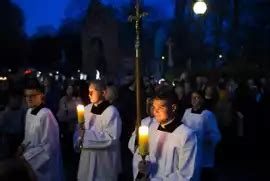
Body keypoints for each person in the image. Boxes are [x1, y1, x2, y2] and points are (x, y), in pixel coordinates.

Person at [129, 88, 198, 180]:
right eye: (154, 107)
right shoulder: (150, 128)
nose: (155, 111)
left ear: (173, 108)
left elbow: (185, 174)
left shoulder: (186, 135)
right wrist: (142, 168)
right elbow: (142, 155)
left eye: (161, 107)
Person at [75, 80, 122, 181]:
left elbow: (111, 138)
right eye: (89, 91)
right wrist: (78, 139)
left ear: (103, 92)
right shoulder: (86, 109)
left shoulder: (111, 112)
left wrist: (86, 135)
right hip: (87, 159)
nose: (89, 94)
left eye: (93, 91)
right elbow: (78, 131)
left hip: (103, 161)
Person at [22, 78, 63, 181]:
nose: (29, 99)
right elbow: (29, 137)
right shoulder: (29, 112)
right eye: (26, 96)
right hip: (30, 162)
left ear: (41, 96)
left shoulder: (46, 114)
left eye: (32, 96)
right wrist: (22, 146)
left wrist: (27, 157)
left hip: (44, 167)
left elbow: (49, 146)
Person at [181, 90, 221, 181]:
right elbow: (182, 127)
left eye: (197, 97)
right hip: (189, 150)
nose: (194, 100)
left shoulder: (207, 114)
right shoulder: (187, 112)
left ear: (202, 99)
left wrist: (209, 139)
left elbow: (215, 134)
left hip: (203, 150)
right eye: (192, 98)